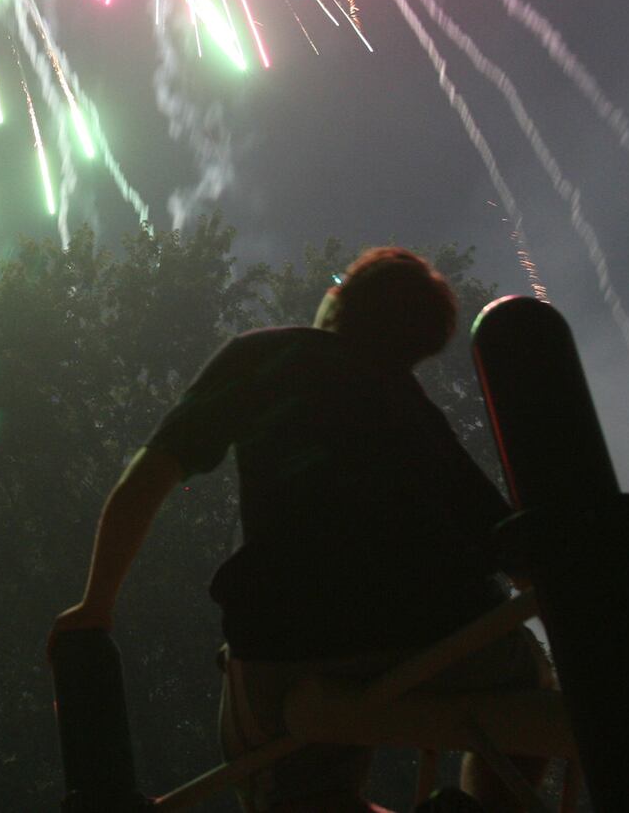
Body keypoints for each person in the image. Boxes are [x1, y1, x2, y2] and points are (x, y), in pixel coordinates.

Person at [49, 248, 549, 813]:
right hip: (444, 634)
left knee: (293, 791)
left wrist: (97, 602)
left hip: (289, 641)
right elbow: (510, 542)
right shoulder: (410, 405)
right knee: (531, 704)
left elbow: (151, 477)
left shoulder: (263, 355)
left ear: (338, 299)